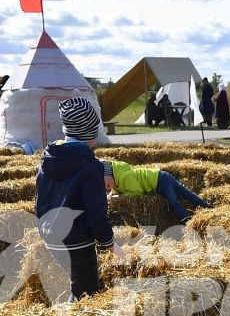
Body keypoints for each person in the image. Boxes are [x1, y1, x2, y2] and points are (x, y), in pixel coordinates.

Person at [36, 97, 117, 300]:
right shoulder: (91, 167)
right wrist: (109, 242)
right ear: (90, 132)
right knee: (87, 294)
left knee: (76, 282)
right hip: (76, 241)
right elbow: (95, 213)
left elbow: (39, 201)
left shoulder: (47, 159)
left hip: (50, 235)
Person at [103, 158, 210, 223]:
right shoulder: (115, 184)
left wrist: (120, 197)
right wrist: (113, 195)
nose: (104, 186)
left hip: (161, 179)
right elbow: (120, 191)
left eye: (103, 181)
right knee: (184, 193)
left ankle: (190, 220)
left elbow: (137, 193)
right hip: (159, 180)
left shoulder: (126, 176)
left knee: (175, 202)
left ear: (109, 173)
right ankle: (205, 207)